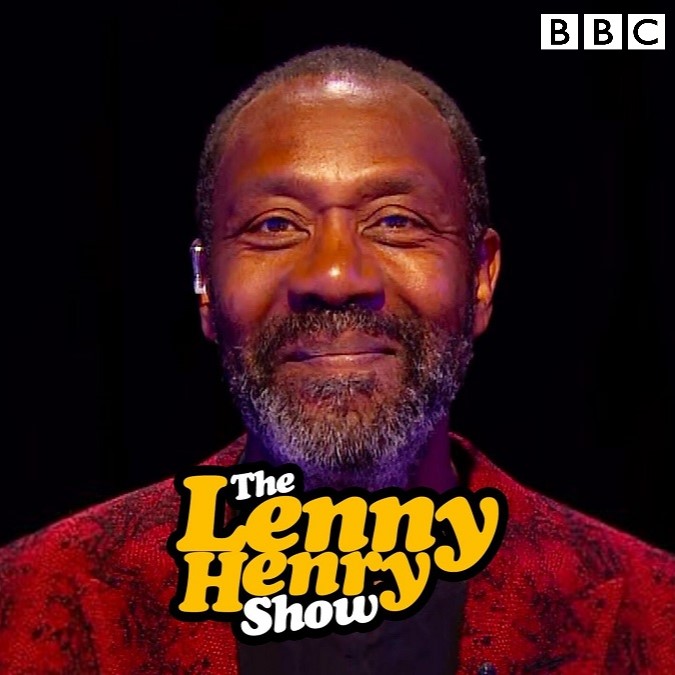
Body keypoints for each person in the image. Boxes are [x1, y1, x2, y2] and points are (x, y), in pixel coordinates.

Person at [1, 46, 674, 674]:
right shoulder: (30, 597)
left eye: (395, 221)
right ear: (204, 284)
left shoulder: (654, 609)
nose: (333, 275)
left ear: (481, 277)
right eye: (274, 225)